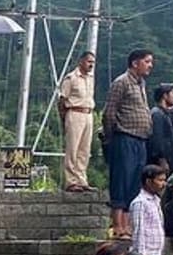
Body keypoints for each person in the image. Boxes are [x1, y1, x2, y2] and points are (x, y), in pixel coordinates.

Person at [102, 49, 155, 239]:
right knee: (121, 181)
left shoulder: (141, 84)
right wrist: (111, 138)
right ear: (135, 63)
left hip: (140, 139)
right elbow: (109, 112)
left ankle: (127, 225)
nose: (150, 65)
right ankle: (117, 226)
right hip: (124, 137)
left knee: (134, 182)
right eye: (147, 61)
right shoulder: (121, 82)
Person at [59, 51, 97, 192]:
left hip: (88, 113)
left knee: (84, 150)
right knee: (72, 148)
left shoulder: (90, 78)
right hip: (74, 112)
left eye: (93, 62)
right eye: (88, 61)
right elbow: (62, 100)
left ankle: (81, 179)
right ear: (81, 61)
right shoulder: (71, 78)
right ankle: (71, 181)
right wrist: (64, 118)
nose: (91, 65)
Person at [130, 165, 167, 255]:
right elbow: (138, 232)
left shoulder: (156, 201)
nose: (163, 184)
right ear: (148, 181)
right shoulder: (140, 202)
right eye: (160, 180)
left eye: (164, 180)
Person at [147, 83, 173, 175]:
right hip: (161, 163)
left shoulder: (165, 113)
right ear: (165, 95)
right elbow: (157, 139)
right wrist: (161, 159)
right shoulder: (157, 114)